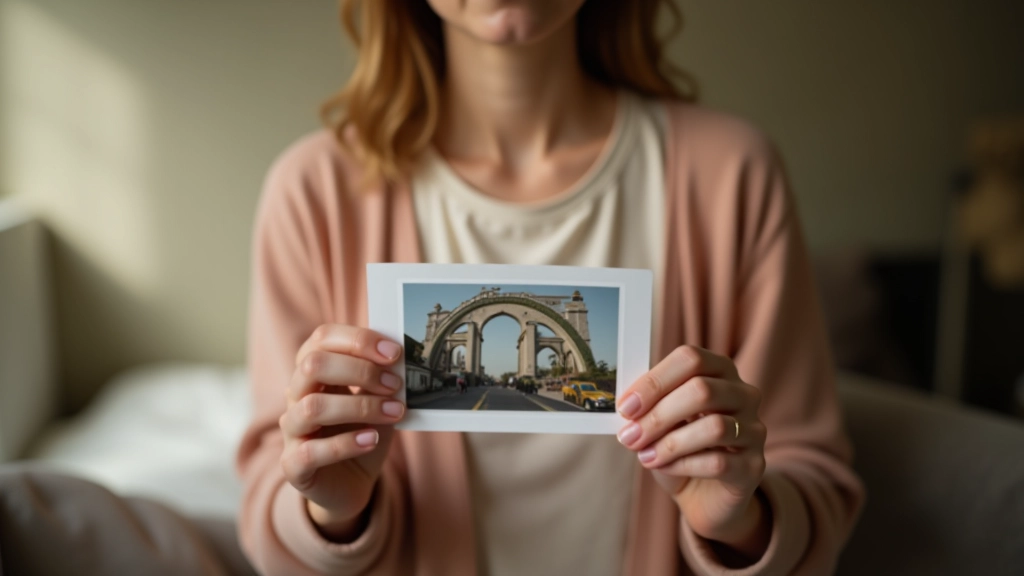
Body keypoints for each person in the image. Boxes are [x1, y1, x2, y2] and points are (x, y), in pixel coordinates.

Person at [236, 1, 865, 575]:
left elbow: (812, 477)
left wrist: (741, 519)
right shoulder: (313, 191)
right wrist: (332, 514)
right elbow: (270, 507)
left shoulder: (734, 175)